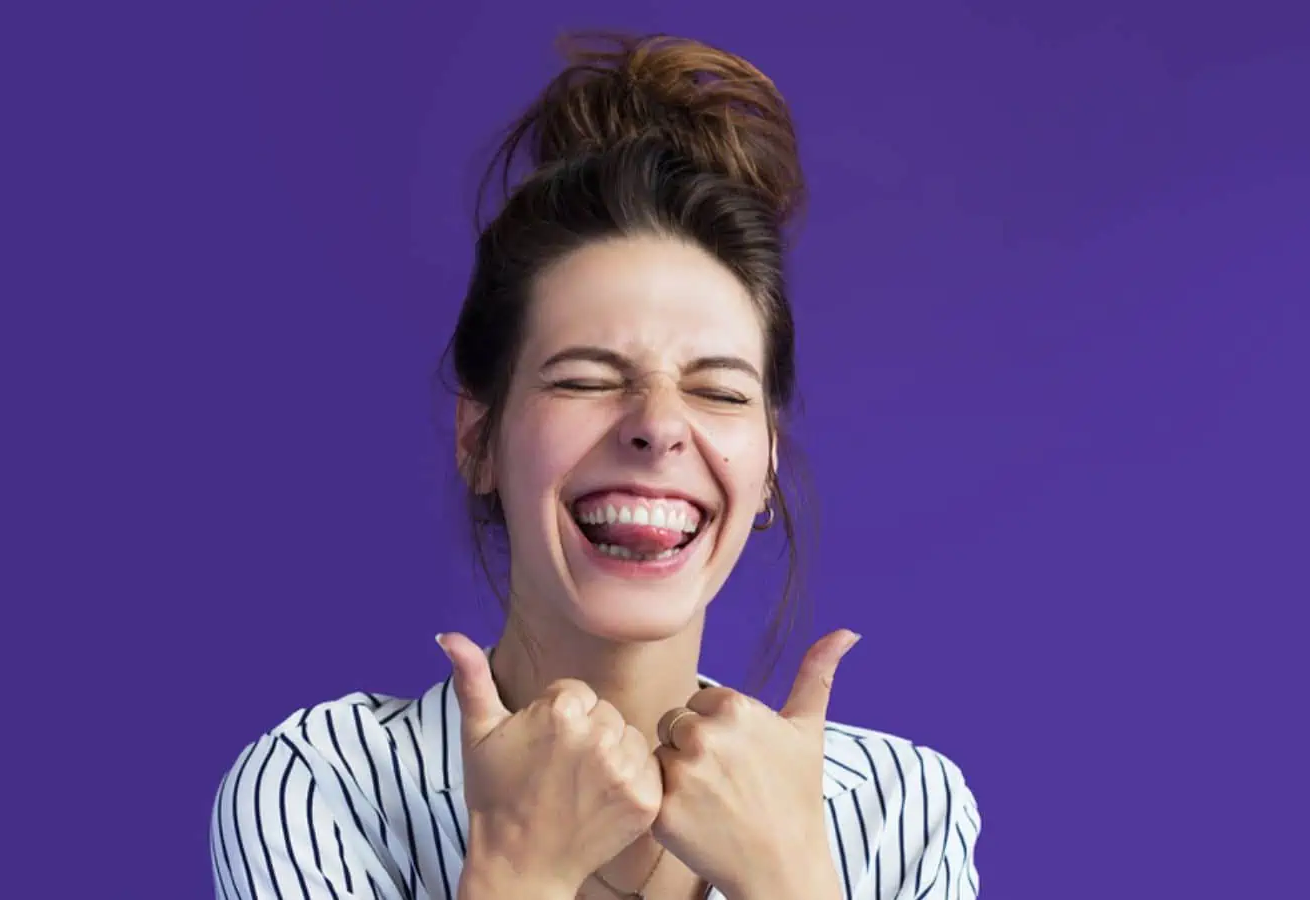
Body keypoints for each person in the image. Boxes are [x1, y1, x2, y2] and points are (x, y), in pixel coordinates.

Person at [210, 32, 981, 900]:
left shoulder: (901, 809)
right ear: (479, 438)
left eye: (719, 393)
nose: (658, 426)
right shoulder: (326, 788)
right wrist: (518, 873)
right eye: (585, 379)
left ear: (765, 464)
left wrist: (791, 880)